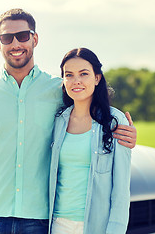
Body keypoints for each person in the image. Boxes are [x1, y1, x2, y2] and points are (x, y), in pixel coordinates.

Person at [0, 8, 136, 234]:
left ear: (34, 38)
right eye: (6, 38)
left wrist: (124, 131)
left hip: (41, 221)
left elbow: (89, 113)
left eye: (22, 36)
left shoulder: (58, 89)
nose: (15, 44)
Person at [49, 48, 131, 234]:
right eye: (69, 75)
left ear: (97, 78)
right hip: (57, 225)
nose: (76, 81)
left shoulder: (115, 122)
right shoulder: (57, 122)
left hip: (96, 227)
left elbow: (121, 191)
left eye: (83, 74)